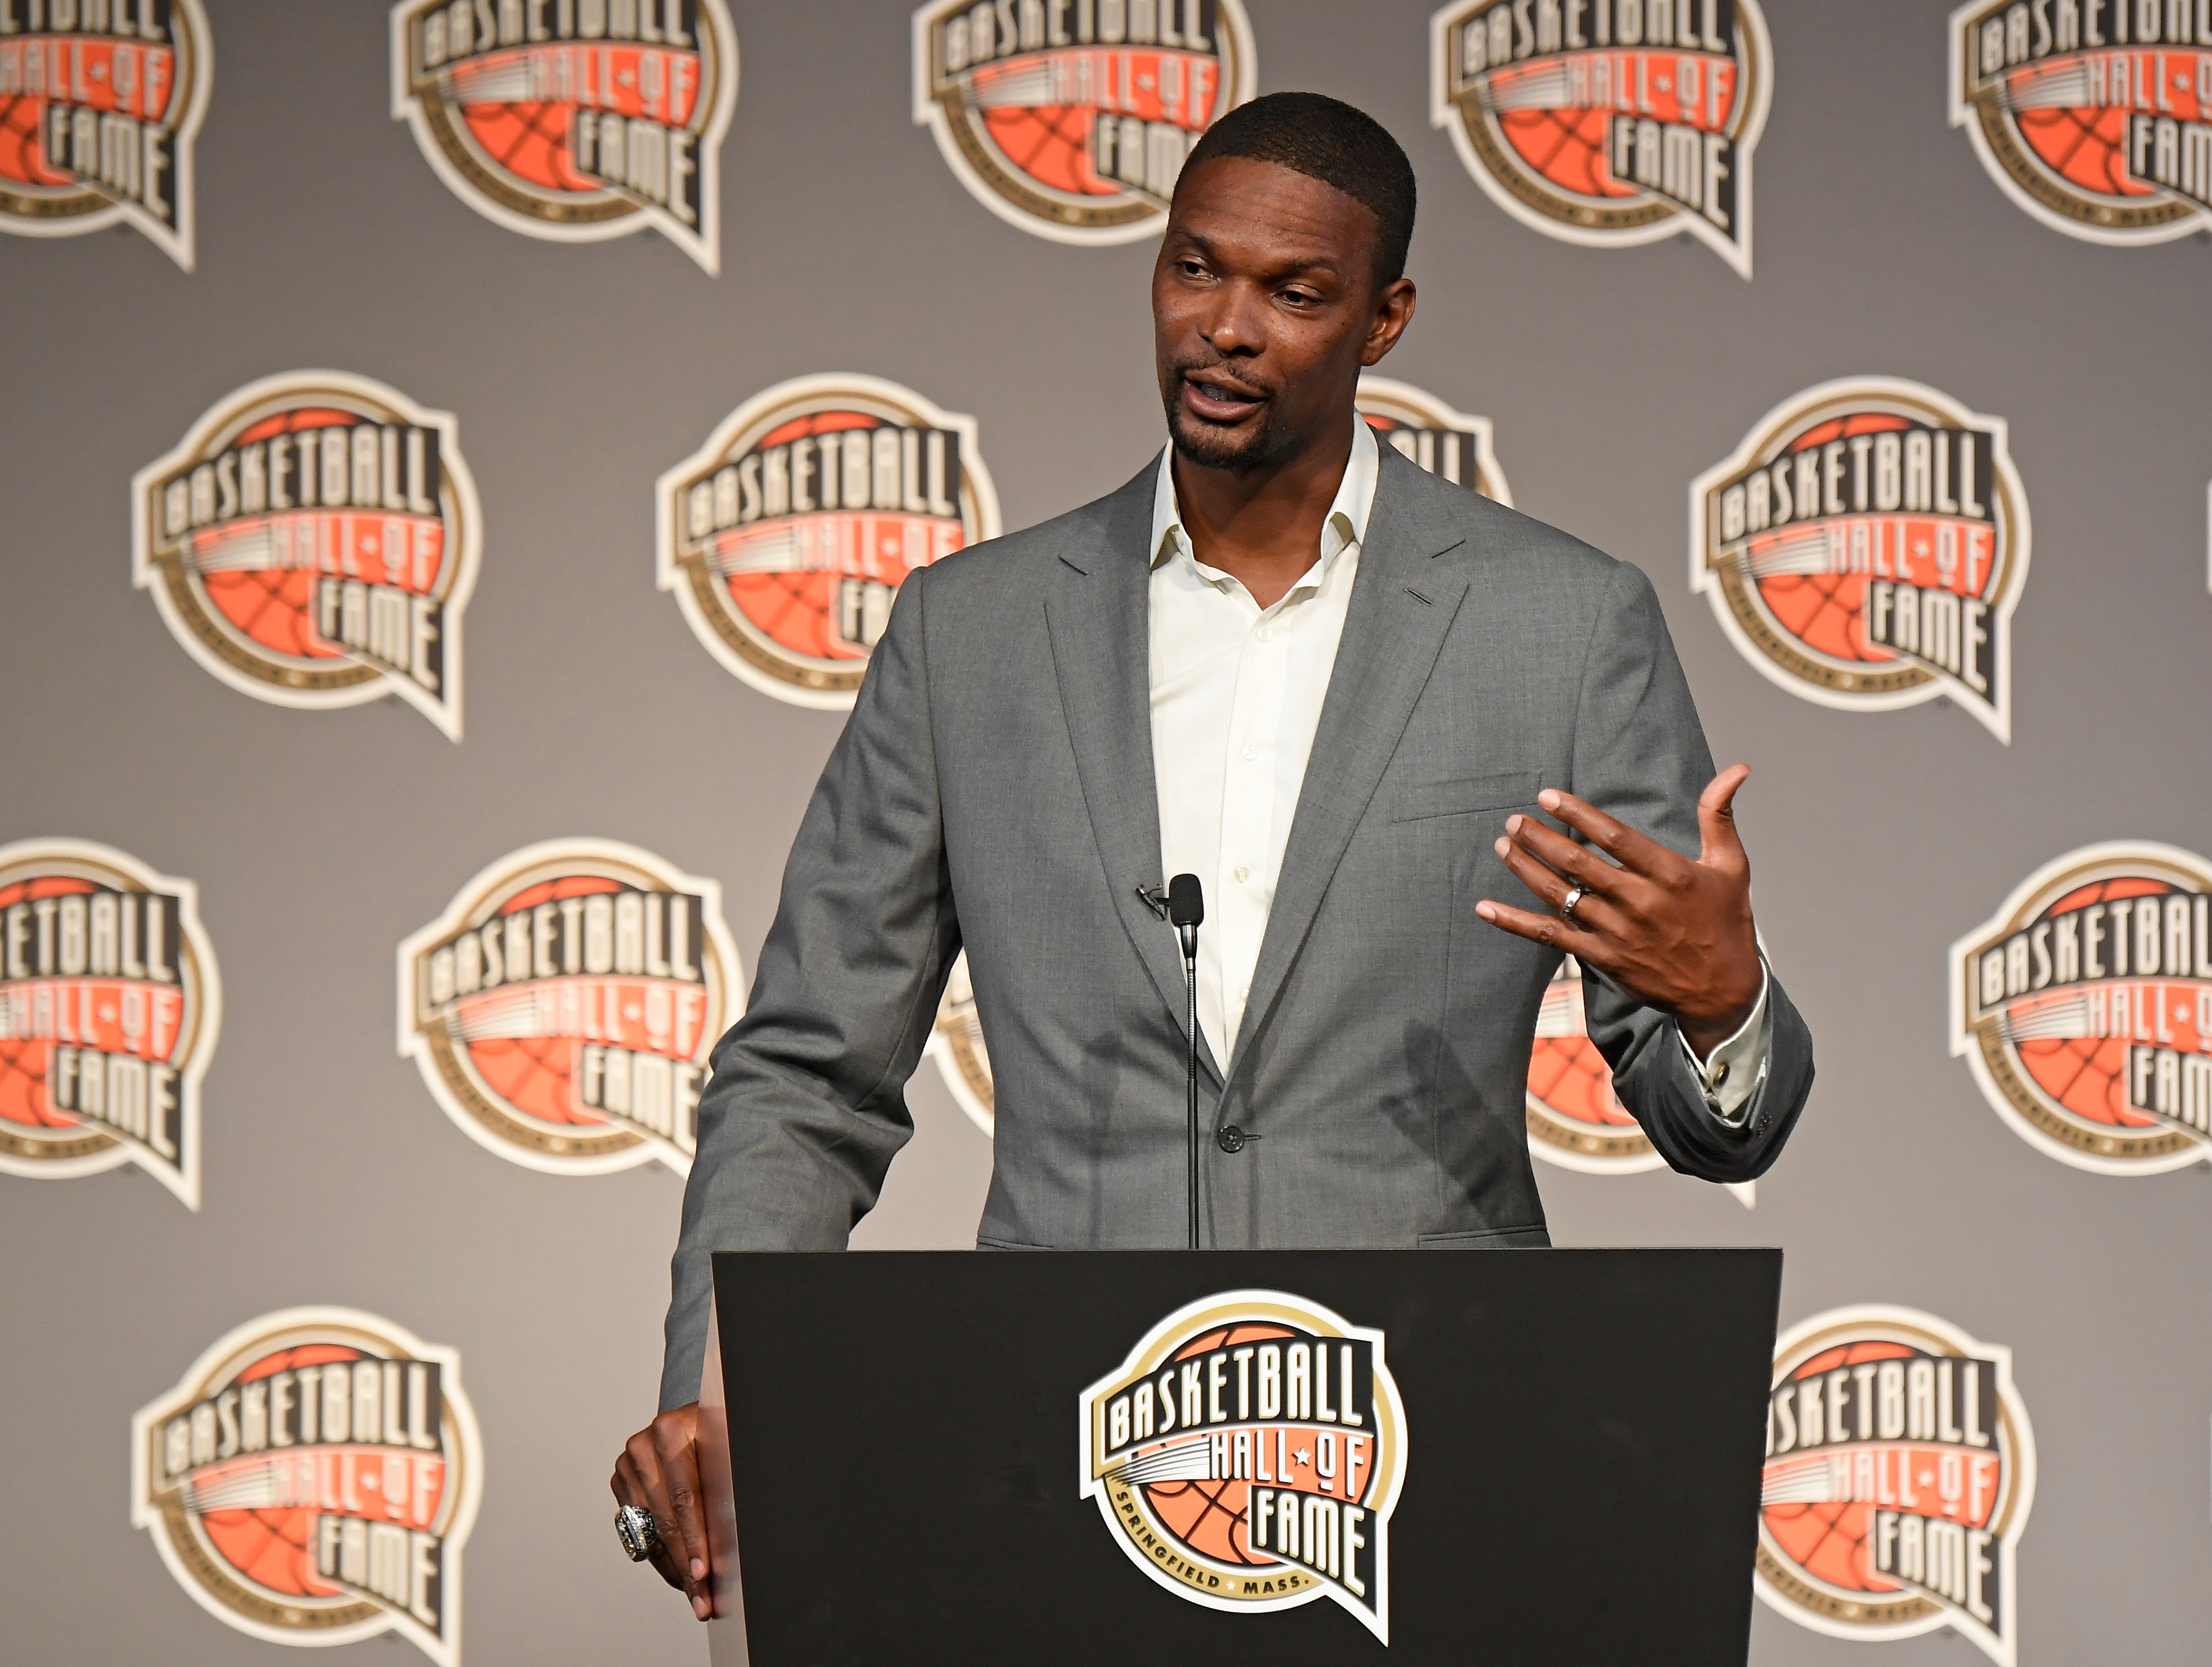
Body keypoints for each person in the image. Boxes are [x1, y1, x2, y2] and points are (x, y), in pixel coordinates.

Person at [611, 92, 1813, 1618]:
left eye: (1294, 293)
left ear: (1385, 320)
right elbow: (805, 1071)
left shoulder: (1562, 627)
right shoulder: (971, 634)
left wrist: (1721, 1004)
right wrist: (718, 1385)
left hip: (1433, 1468)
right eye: (1196, 270)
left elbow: (1722, 1126)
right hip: (1046, 1460)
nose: (1225, 327)